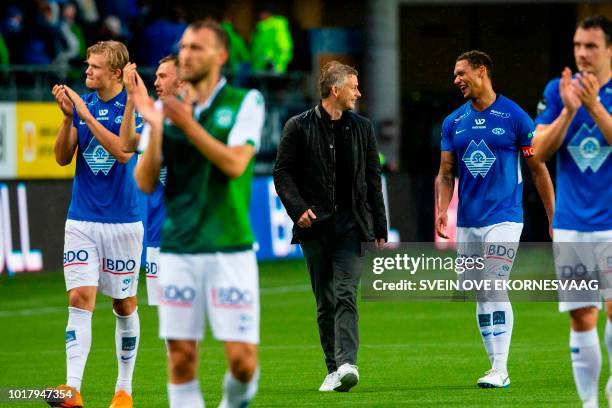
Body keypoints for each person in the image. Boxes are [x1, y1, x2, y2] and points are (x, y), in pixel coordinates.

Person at [132, 19, 265, 408]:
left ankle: (235, 400)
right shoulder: (164, 112)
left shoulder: (245, 102)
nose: (187, 54)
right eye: (185, 47)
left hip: (230, 247)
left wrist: (186, 124)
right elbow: (144, 180)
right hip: (178, 248)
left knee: (242, 364)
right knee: (182, 358)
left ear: (220, 56)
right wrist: (156, 129)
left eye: (197, 48)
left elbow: (235, 165)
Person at [436, 50, 555, 389]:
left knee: (494, 282)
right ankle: (494, 367)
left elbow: (538, 169)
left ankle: (501, 368)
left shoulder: (515, 117)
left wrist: (552, 216)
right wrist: (443, 209)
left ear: (481, 71)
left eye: (461, 72)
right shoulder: (453, 122)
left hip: (504, 217)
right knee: (479, 292)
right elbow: (445, 172)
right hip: (468, 222)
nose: (456, 79)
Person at [273, 61, 388, 392]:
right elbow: (282, 173)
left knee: (345, 293)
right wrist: (298, 210)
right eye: (354, 87)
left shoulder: (362, 127)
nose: (359, 93)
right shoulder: (298, 126)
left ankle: (348, 363)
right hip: (314, 226)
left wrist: (379, 225)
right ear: (335, 90)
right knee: (324, 301)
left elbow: (372, 179)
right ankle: (333, 368)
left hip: (352, 225)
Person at [47, 40, 144, 408]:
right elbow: (60, 158)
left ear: (116, 73)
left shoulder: (131, 104)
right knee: (79, 297)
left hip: (123, 223)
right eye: (87, 65)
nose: (86, 71)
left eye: (94, 67)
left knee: (123, 303)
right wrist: (68, 117)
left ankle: (124, 389)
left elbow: (122, 152)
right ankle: (72, 388)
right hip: (82, 219)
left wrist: (85, 114)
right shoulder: (82, 107)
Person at [532, 15, 612, 408]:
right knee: (582, 317)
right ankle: (589, 404)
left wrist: (593, 105)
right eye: (578, 45)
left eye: (591, 46)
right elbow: (538, 152)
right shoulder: (556, 89)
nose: (582, 53)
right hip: (572, 226)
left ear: (609, 50)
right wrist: (567, 111)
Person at [120, 54, 183, 307]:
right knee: (169, 320)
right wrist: (130, 101)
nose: (156, 81)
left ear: (181, 82)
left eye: (163, 76)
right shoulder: (156, 120)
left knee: (184, 318)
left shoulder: (192, 119)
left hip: (187, 236)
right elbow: (126, 143)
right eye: (156, 76)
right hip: (158, 234)